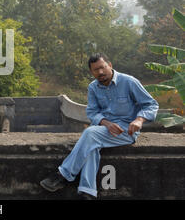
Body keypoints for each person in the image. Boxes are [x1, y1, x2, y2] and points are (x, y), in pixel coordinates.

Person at [39, 53, 158, 199]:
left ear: (110, 65)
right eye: (96, 70)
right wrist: (106, 123)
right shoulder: (93, 87)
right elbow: (92, 112)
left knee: (90, 134)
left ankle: (63, 174)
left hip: (126, 131)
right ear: (91, 72)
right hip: (104, 130)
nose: (100, 72)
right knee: (91, 146)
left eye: (102, 67)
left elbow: (151, 105)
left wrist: (139, 120)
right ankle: (87, 192)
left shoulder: (129, 82)